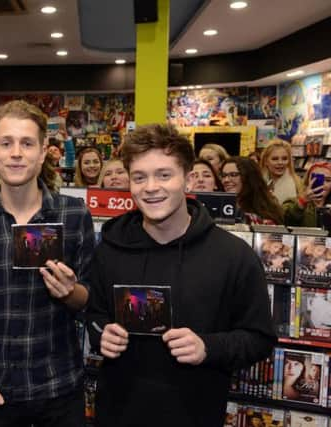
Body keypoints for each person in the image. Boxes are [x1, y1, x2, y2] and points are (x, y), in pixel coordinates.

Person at [86, 124, 275, 427]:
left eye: (164, 174)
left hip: (195, 414)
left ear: (187, 179)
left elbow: (259, 339)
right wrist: (101, 334)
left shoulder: (233, 256)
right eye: (139, 177)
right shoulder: (109, 249)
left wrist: (208, 347)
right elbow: (94, 314)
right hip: (118, 413)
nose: (150, 187)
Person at [0, 100, 95, 427]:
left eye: (27, 143)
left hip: (60, 385)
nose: (16, 153)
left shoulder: (74, 214)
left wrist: (69, 292)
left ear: (43, 151)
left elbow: (90, 297)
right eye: (7, 143)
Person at [221, 156, 283, 225]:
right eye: (224, 175)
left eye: (233, 175)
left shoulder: (266, 214)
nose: (226, 180)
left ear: (249, 177)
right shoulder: (220, 207)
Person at [283, 162, 331, 227]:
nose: (323, 184)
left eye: (328, 180)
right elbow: (286, 222)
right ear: (308, 180)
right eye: (316, 180)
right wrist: (302, 202)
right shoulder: (292, 202)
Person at [261, 139, 301, 204]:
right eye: (275, 159)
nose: (280, 162)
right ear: (266, 161)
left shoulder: (298, 184)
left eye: (284, 159)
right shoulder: (258, 183)